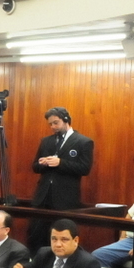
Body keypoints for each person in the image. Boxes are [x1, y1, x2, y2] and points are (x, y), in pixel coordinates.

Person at [28, 106, 94, 252]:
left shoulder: (83, 142)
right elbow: (35, 167)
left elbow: (85, 168)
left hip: (65, 199)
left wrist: (61, 163)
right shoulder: (46, 141)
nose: (53, 127)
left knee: (60, 238)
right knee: (36, 237)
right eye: (50, 124)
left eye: (56, 123)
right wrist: (43, 163)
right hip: (43, 197)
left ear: (66, 120)